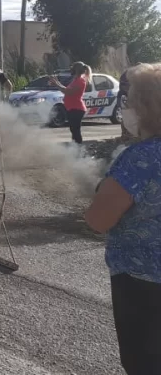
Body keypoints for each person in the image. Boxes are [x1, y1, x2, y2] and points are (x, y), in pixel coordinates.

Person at [85, 63, 161, 374]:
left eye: (130, 100)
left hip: (144, 285)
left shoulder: (141, 157)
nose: (126, 108)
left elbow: (99, 220)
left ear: (148, 106)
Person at [49, 61, 91, 145]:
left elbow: (68, 92)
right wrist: (57, 82)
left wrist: (57, 84)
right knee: (73, 130)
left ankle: (78, 148)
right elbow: (67, 90)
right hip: (72, 108)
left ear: (76, 70)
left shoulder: (80, 81)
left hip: (77, 109)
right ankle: (75, 148)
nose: (70, 70)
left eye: (72, 68)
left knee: (75, 130)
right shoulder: (76, 80)